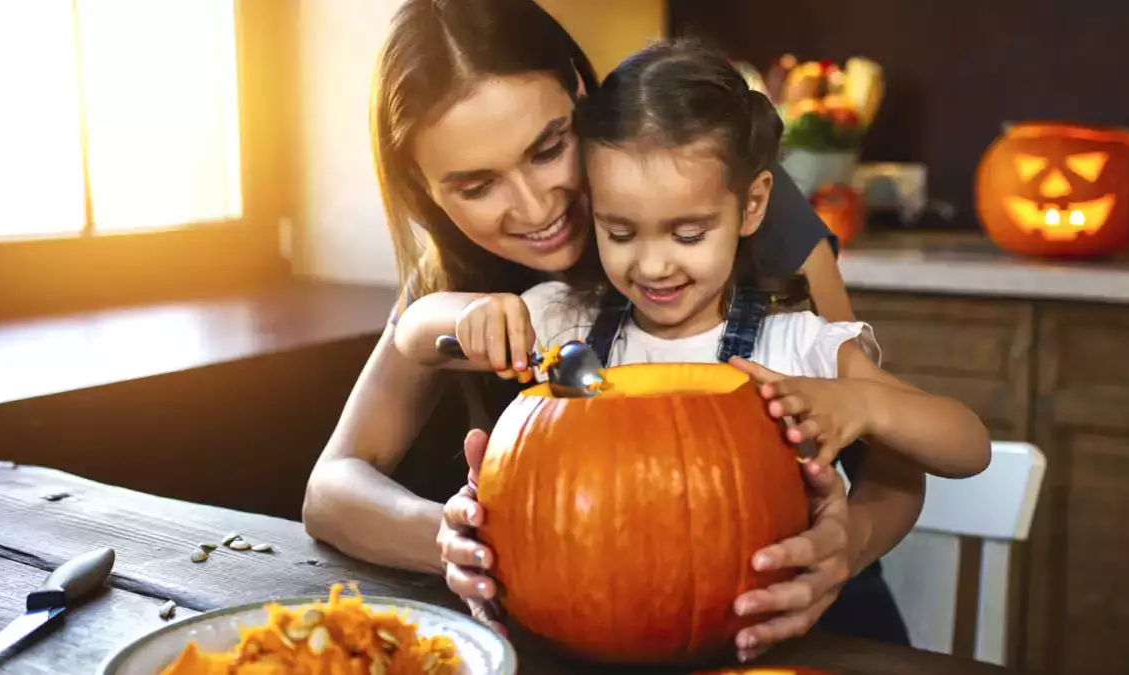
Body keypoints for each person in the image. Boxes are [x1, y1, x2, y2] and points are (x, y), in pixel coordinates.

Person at [302, 0, 924, 658]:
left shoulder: (715, 195)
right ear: (425, 189)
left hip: (803, 620)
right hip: (597, 632)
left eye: (549, 148)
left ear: (580, 93)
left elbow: (894, 460)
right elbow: (332, 487)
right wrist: (456, 541)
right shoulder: (453, 275)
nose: (535, 208)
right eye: (477, 186)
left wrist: (848, 544)